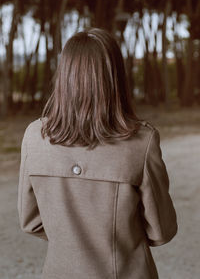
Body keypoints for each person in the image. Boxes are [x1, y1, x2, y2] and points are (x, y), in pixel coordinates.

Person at [17, 28, 178, 279]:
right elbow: (161, 231)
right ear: (116, 78)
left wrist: (71, 241)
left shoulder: (34, 137)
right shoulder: (142, 142)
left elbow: (30, 222)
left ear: (65, 76)